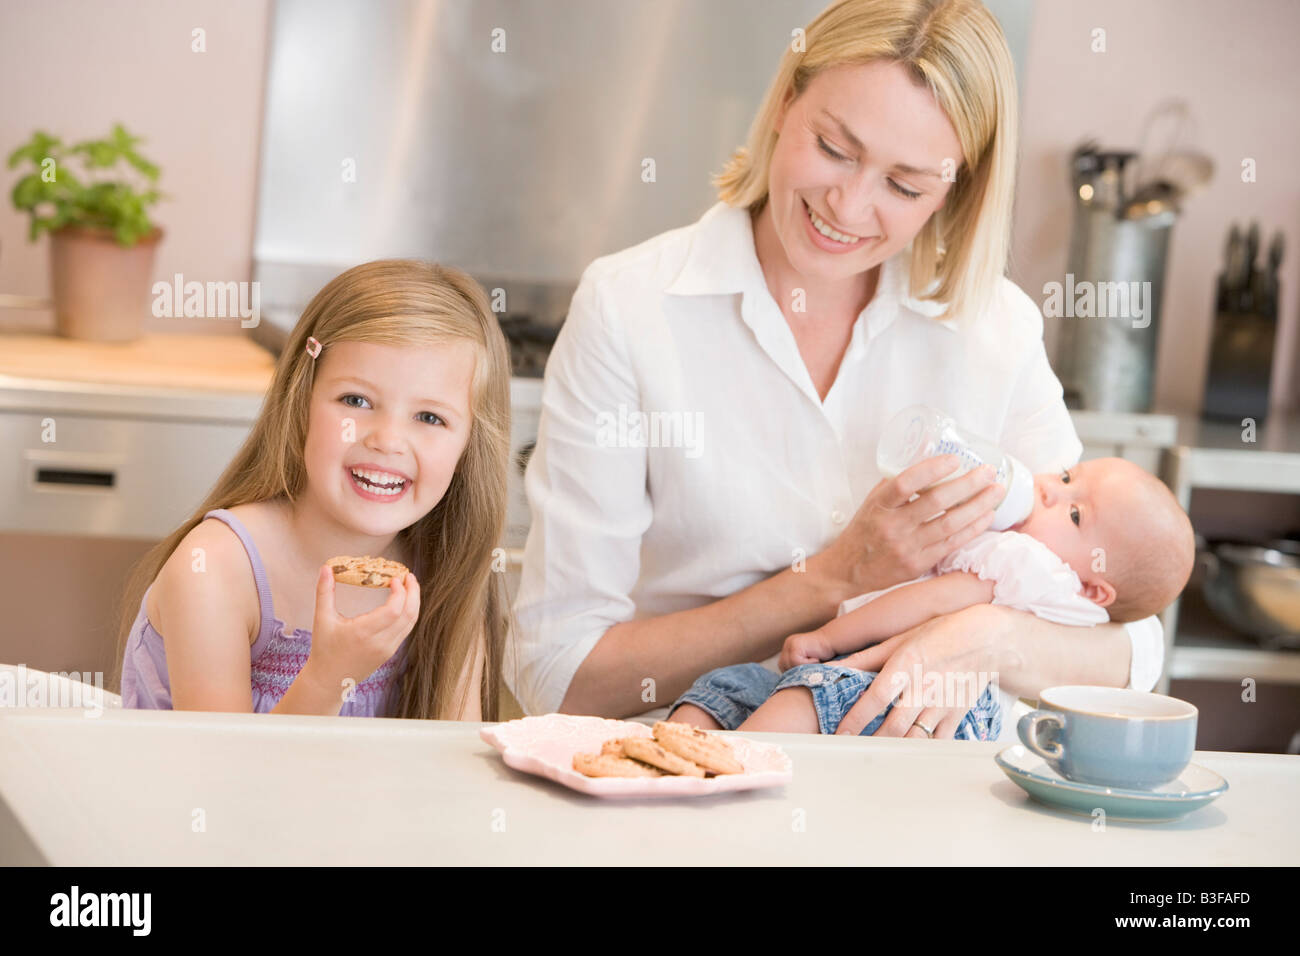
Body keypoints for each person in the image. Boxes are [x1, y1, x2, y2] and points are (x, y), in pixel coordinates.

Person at [510, 0, 1167, 741]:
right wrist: (832, 578)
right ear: (787, 102)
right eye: (834, 147)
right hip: (695, 774)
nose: (848, 205)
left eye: (906, 185)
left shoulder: (993, 326)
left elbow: (1132, 641)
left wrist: (983, 636)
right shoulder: (632, 309)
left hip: (920, 798)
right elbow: (556, 675)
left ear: (956, 189)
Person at [114, 260, 511, 719]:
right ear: (301, 401)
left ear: (469, 445)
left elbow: (450, 774)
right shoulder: (214, 570)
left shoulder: (446, 572)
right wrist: (329, 676)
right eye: (356, 401)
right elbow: (223, 783)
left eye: (429, 417)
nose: (386, 439)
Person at [668, 457, 1196, 738]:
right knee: (732, 687)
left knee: (803, 699)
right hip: (886, 689)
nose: (1051, 491)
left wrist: (827, 636)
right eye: (1065, 475)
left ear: (1092, 587)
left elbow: (930, 603)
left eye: (1076, 514)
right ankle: (680, 763)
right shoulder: (1062, 581)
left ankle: (727, 774)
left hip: (902, 691)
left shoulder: (1027, 563)